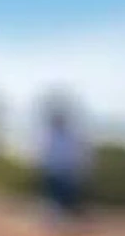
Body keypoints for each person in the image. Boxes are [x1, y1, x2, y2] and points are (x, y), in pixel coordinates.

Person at [37, 97, 91, 229]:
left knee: (67, 200)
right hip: (53, 173)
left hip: (68, 173)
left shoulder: (71, 135)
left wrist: (82, 170)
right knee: (54, 200)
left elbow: (80, 154)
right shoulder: (49, 135)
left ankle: (66, 225)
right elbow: (43, 154)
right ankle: (54, 225)